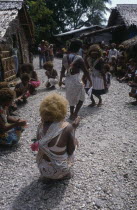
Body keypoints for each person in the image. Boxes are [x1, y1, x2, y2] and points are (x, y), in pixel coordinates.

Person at [31, 93, 79, 180]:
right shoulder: (67, 127)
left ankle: (48, 176)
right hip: (60, 170)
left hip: (44, 169)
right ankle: (65, 174)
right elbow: (71, 151)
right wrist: (73, 128)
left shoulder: (40, 126)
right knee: (75, 143)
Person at [59, 39, 92, 120]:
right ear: (78, 48)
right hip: (76, 80)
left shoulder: (65, 57)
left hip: (68, 80)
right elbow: (86, 71)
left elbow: (63, 70)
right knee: (82, 97)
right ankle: (75, 114)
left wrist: (60, 80)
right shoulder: (79, 58)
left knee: (71, 97)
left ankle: (71, 114)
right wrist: (90, 81)